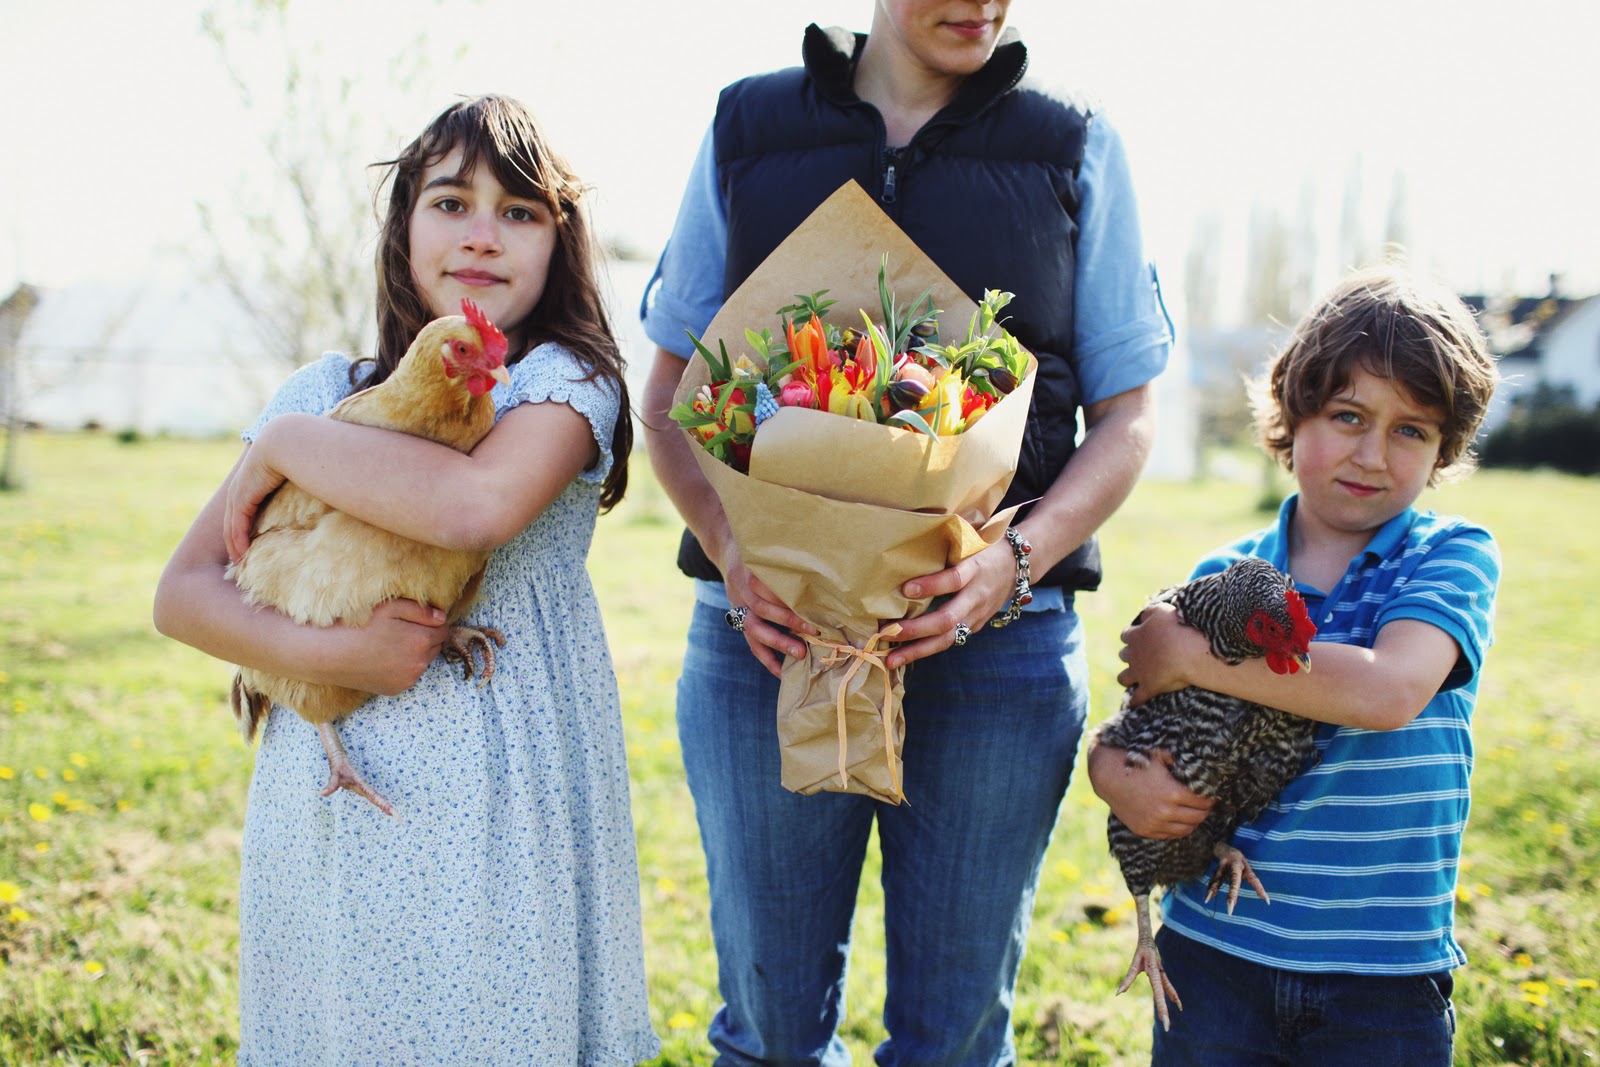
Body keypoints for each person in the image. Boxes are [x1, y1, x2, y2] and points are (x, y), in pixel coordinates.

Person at [639, 2, 1172, 1062]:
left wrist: (1016, 559)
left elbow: (1128, 417)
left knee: (955, 1036)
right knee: (772, 1029)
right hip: (772, 643)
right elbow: (667, 393)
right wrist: (735, 548)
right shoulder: (747, 128)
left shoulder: (1072, 142)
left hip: (998, 648)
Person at [152, 95, 659, 1066]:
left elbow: (472, 507)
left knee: (491, 1022)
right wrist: (333, 654)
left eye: (519, 212)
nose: (482, 235)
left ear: (560, 241)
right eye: (450, 202)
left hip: (503, 797)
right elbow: (184, 590)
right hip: (338, 786)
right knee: (349, 1020)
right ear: (402, 226)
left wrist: (295, 448)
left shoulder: (559, 382)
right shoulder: (318, 386)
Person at [1088, 265, 1501, 1065]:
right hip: (1215, 950)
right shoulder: (1222, 572)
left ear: (1444, 447)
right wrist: (1113, 775)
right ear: (1292, 414)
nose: (1373, 454)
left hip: (1382, 969)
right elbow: (1137, 716)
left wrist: (1194, 653)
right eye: (1348, 415)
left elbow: (1388, 690)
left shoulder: (1449, 557)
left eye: (1411, 429)